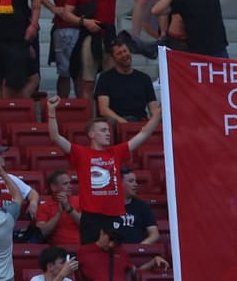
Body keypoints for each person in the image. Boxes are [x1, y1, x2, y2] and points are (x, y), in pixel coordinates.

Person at [46, 96, 161, 243]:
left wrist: (156, 116)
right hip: (91, 216)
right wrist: (51, 111)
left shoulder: (116, 152)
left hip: (114, 215)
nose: (108, 133)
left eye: (108, 130)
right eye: (103, 130)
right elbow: (55, 137)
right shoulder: (81, 153)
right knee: (91, 256)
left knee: (113, 256)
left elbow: (143, 134)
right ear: (91, 135)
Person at [64, 0, 141, 99]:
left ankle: (110, 118)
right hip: (89, 36)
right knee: (88, 82)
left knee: (111, 80)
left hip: (109, 37)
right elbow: (66, 13)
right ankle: (90, 118)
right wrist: (84, 22)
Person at [93, 41, 156, 122]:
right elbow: (104, 110)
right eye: (119, 53)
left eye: (125, 51)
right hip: (116, 124)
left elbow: (153, 109)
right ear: (113, 58)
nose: (124, 55)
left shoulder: (144, 78)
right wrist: (124, 123)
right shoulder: (105, 78)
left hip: (140, 124)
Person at [35, 169, 80, 247]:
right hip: (57, 250)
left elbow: (86, 224)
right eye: (65, 184)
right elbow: (42, 232)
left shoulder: (79, 200)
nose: (70, 186)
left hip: (81, 247)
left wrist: (68, 208)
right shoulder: (44, 207)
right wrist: (59, 213)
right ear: (53, 187)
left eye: (70, 183)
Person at [117, 166, 158, 243]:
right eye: (131, 181)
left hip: (138, 251)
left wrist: (141, 246)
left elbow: (154, 234)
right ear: (119, 183)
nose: (135, 184)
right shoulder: (108, 206)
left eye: (135, 181)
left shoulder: (142, 206)